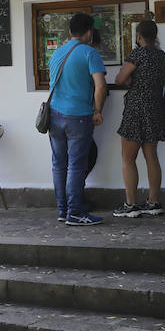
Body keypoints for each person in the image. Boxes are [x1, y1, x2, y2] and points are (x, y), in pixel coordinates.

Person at [47, 12, 107, 225]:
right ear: (89, 32)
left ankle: (63, 210)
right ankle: (75, 212)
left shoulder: (56, 54)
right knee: (75, 165)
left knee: (59, 164)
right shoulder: (89, 53)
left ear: (70, 31)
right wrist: (98, 110)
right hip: (78, 116)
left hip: (54, 115)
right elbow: (100, 86)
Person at [111, 19, 165, 217]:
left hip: (136, 109)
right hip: (155, 107)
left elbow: (120, 79)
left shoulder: (137, 54)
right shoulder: (161, 55)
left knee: (128, 158)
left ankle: (130, 205)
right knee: (152, 157)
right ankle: (154, 202)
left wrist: (128, 77)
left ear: (138, 36)